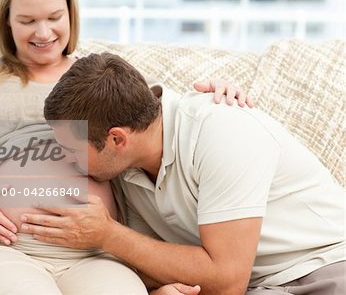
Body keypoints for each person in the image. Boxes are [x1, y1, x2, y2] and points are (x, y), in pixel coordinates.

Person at [0, 0, 252, 294]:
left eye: (54, 17)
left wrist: (217, 97)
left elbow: (157, 125)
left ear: (71, 15)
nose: (44, 32)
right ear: (6, 23)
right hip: (4, 246)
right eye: (27, 20)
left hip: (96, 255)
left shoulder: (102, 77)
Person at [21, 52, 346, 295]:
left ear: (117, 139)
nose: (65, 158)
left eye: (73, 148)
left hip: (323, 269)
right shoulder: (125, 166)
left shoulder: (223, 133)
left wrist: (108, 234)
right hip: (260, 285)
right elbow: (150, 261)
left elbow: (228, 280)